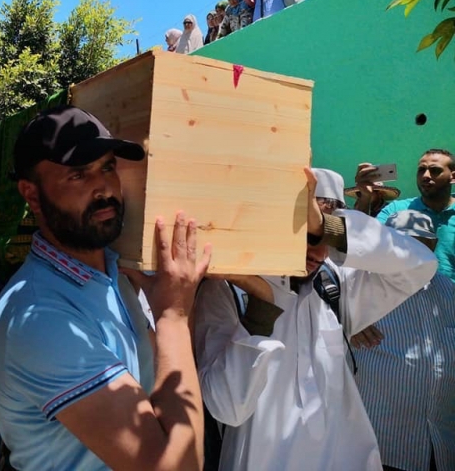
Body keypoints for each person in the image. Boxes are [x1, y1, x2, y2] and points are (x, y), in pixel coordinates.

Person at [0, 105, 211, 470]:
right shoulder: (40, 317)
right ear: (31, 194)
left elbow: (158, 386)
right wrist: (172, 316)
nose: (104, 187)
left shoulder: (113, 274)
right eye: (78, 174)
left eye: (108, 167)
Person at [194, 166, 438, 470]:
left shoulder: (336, 284)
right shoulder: (227, 290)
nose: (318, 251)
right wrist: (261, 309)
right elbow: (227, 408)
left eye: (324, 235)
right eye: (306, 234)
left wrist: (328, 227)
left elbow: (421, 264)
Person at [354, 210, 455, 471]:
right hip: (383, 445)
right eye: (402, 244)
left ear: (432, 245)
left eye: (419, 244)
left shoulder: (448, 290)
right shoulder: (359, 286)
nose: (410, 253)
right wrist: (345, 322)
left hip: (441, 444)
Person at [370, 149, 455, 283]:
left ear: (453, 177)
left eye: (435, 170)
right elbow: (370, 243)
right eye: (421, 170)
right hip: (405, 292)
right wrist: (364, 199)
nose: (425, 175)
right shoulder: (395, 210)